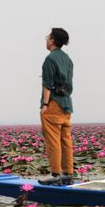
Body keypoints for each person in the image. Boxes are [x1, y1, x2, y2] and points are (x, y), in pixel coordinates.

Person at [38, 28, 74, 185]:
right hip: (66, 104)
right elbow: (70, 85)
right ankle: (68, 173)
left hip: (53, 104)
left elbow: (47, 84)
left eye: (48, 37)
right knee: (65, 139)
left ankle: (55, 174)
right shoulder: (67, 59)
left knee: (53, 140)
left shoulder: (50, 59)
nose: (46, 39)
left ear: (52, 41)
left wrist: (45, 105)